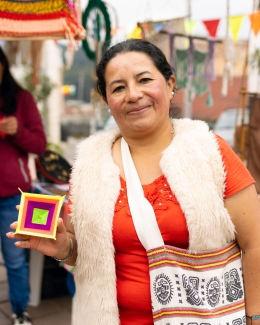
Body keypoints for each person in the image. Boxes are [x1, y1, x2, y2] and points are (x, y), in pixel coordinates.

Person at [7, 39, 260, 325]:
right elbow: (83, 253)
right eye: (118, 87)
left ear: (170, 83)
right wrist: (63, 247)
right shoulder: (88, 167)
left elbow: (255, 244)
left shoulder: (211, 152)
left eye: (144, 80)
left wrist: (255, 316)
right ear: (107, 101)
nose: (133, 94)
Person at [0, 47, 47, 325]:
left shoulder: (22, 99)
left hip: (12, 197)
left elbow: (40, 145)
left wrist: (19, 132)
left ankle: (20, 312)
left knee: (16, 260)